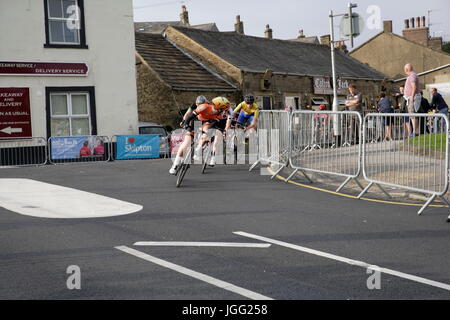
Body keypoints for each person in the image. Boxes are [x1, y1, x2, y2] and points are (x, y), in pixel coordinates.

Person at [169, 96, 230, 174]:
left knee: (208, 131)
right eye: (224, 110)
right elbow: (190, 116)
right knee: (186, 143)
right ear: (219, 108)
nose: (225, 112)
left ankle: (199, 148)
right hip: (195, 122)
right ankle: (175, 165)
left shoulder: (219, 115)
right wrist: (185, 124)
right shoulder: (204, 107)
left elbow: (212, 126)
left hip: (205, 124)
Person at [404, 63, 421, 138]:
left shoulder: (412, 75)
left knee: (413, 115)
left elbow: (414, 87)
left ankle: (415, 132)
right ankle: (415, 132)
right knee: (412, 116)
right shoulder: (412, 75)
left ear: (406, 70)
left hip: (412, 98)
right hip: (411, 97)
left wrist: (411, 97)